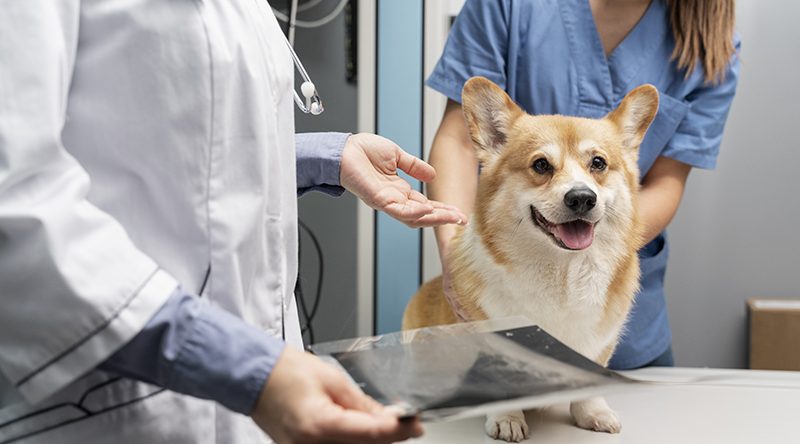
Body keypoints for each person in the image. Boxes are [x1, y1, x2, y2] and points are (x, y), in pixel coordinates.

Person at [0, 2, 466, 443]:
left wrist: (321, 157)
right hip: (112, 407)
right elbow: (17, 208)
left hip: (249, 400)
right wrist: (249, 369)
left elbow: (176, 147)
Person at [426, 0, 740, 369]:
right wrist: (457, 257)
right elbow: (460, 141)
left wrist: (595, 248)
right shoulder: (509, 6)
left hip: (614, 324)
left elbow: (667, 184)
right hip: (501, 301)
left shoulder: (711, 42)